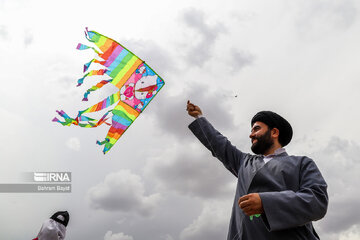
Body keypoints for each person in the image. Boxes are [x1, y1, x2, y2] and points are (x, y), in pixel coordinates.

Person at [186, 100, 328, 240]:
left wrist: (266, 203)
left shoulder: (302, 163)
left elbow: (317, 202)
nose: (251, 134)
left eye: (256, 129)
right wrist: (199, 117)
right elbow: (219, 144)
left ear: (274, 132)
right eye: (251, 130)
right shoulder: (244, 162)